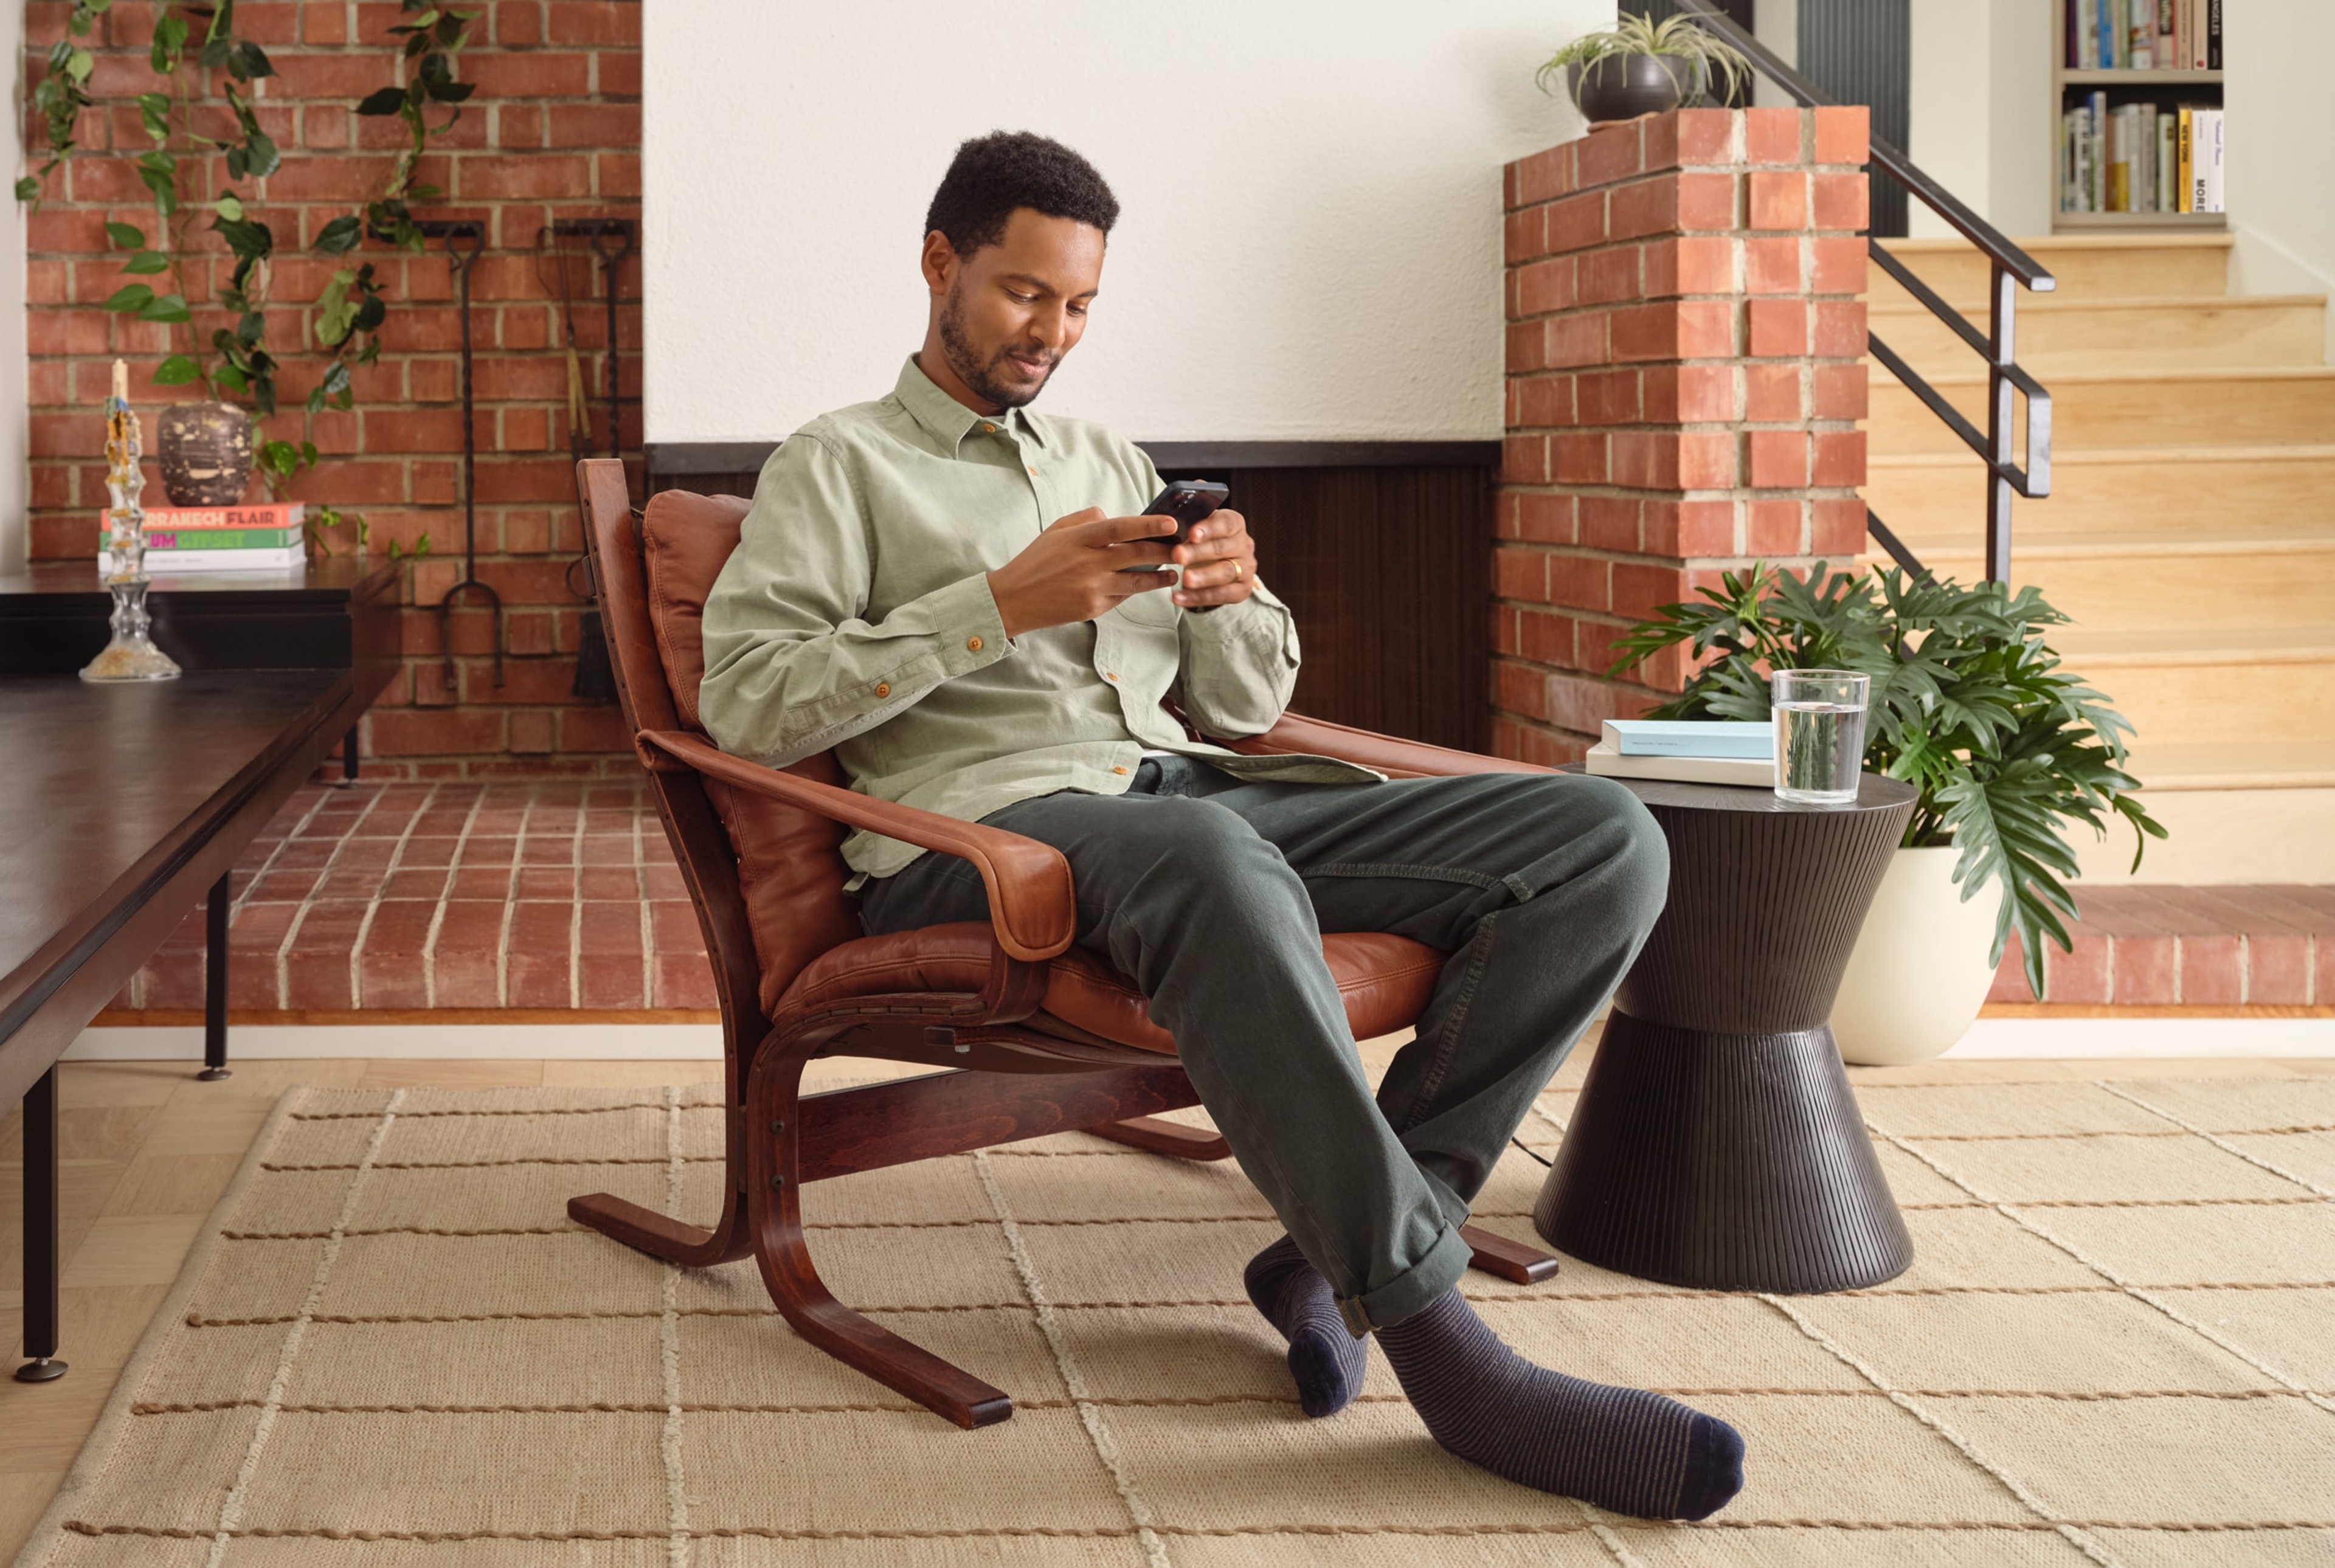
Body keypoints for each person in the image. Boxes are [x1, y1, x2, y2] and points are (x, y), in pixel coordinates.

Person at [698, 130, 1745, 1522]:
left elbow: (1246, 705)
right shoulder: (836, 465)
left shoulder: (1103, 452)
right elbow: (748, 706)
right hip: (979, 850)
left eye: (1078, 306)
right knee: (1209, 851)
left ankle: (1329, 1254)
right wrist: (997, 605)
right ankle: (1443, 1348)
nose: (1052, 334)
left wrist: (1233, 598)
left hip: (1187, 801)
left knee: (1603, 837)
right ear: (942, 265)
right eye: (1023, 295)